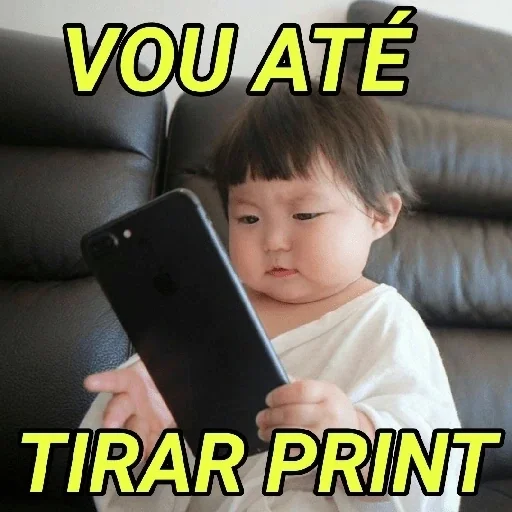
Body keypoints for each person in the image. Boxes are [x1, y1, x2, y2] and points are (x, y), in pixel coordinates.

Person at [80, 78, 463, 511]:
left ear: (380, 214)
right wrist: (134, 432)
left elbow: (435, 471)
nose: (274, 241)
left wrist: (357, 436)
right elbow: (108, 471)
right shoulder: (202, 313)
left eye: (305, 214)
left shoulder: (387, 324)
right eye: (248, 218)